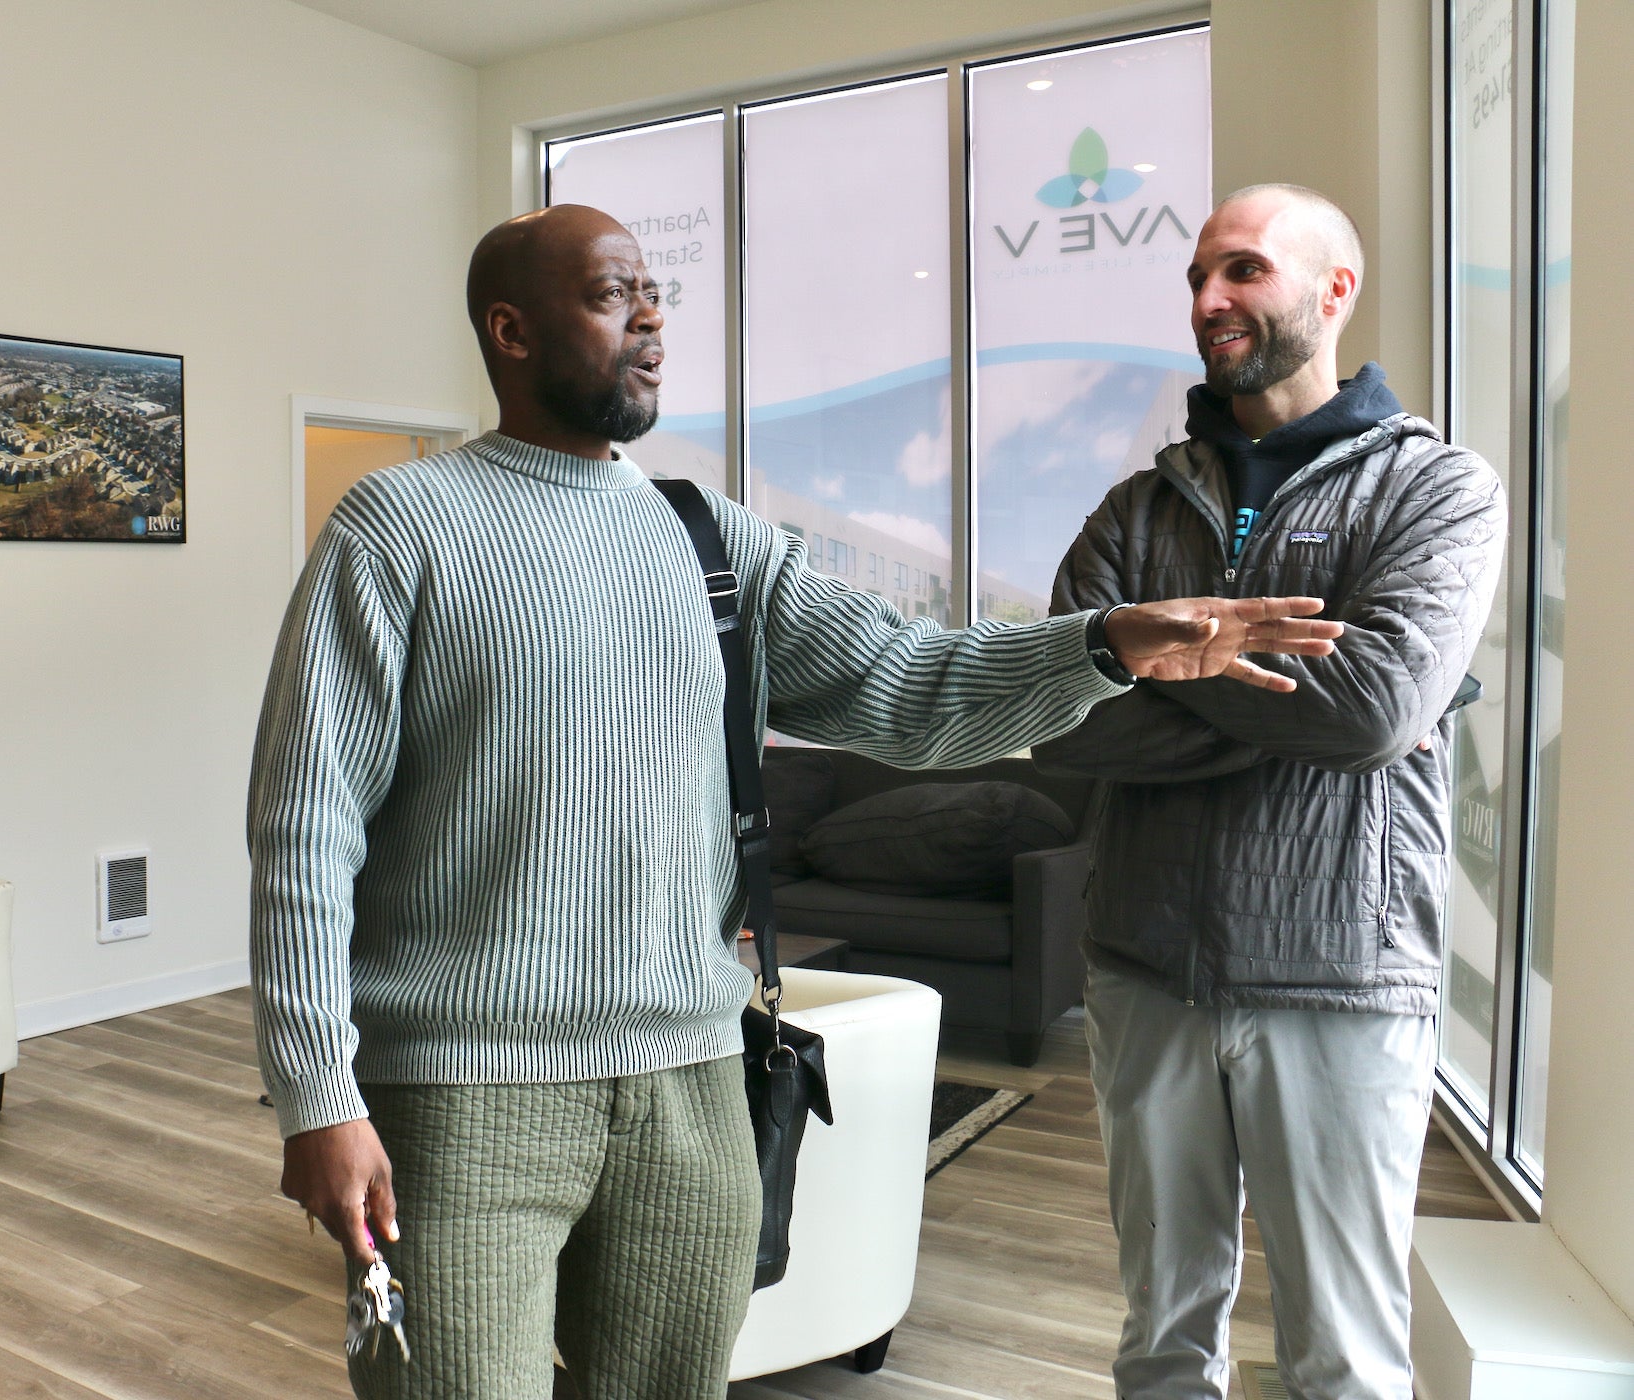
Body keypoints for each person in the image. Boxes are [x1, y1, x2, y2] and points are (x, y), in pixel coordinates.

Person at [247, 202, 1343, 1400]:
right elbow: (305, 830)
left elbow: (910, 686)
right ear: (510, 331)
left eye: (654, 290)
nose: (654, 316)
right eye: (614, 294)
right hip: (459, 1095)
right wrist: (318, 1091)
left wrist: (1103, 645)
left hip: (695, 1086)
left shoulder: (711, 539)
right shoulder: (398, 528)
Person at [1033, 184, 1507, 1400]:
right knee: (1161, 1339)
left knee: (1343, 1357)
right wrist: (1284, 701)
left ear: (1332, 290)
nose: (1209, 301)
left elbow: (1372, 709)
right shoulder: (1139, 505)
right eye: (1199, 276)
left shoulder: (1436, 490)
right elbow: (1057, 718)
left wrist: (1164, 660)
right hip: (1144, 966)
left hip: (1341, 971)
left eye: (1242, 271)